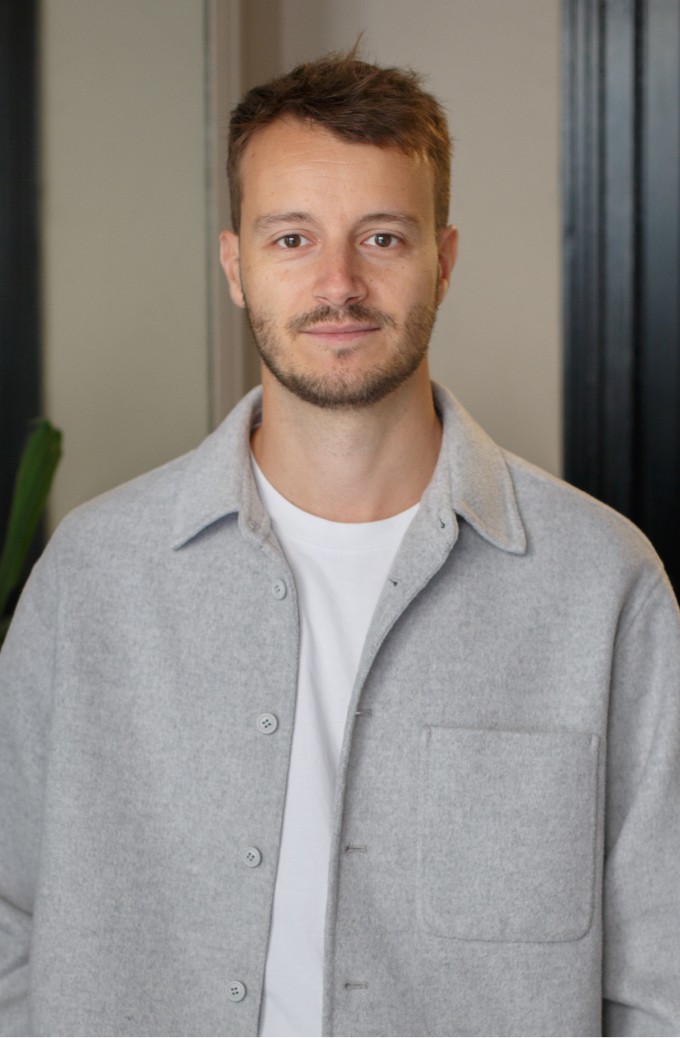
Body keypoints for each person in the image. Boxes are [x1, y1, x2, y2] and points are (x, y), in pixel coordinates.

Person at [1, 49, 679, 1038]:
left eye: (382, 237)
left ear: (443, 259)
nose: (338, 283)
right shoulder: (94, 577)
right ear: (235, 266)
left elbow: (660, 977)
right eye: (291, 238)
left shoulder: (601, 587)